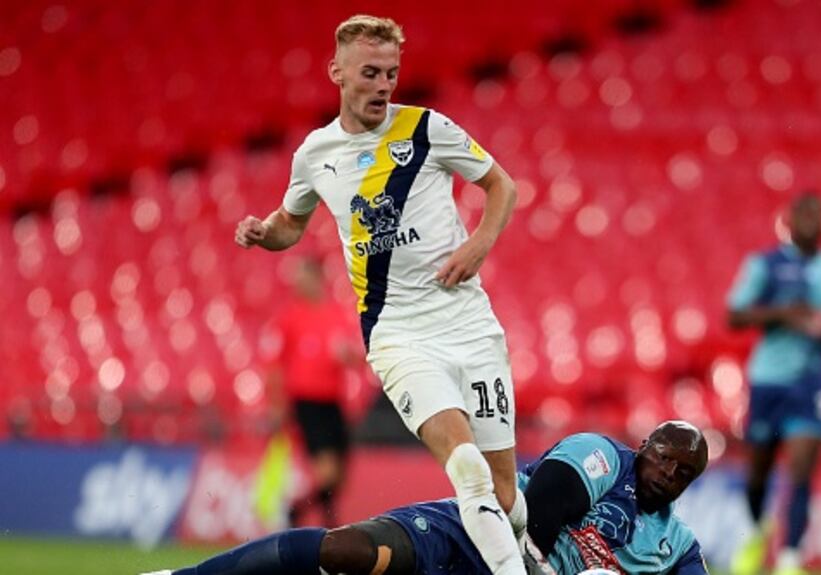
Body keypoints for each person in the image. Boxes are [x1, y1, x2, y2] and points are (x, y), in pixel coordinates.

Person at [234, 14, 524, 574]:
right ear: (338, 73)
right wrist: (263, 232)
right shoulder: (315, 154)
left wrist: (479, 244)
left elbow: (501, 185)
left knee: (506, 495)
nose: (384, 84)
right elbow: (290, 224)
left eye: (391, 73)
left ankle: (526, 550)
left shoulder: (427, 128)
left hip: (468, 324)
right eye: (371, 72)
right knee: (466, 468)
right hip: (398, 333)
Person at [145, 420, 711, 575]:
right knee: (348, 550)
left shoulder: (677, 547)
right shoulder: (603, 456)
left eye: (684, 472)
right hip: (477, 536)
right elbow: (538, 519)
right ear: (644, 446)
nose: (669, 473)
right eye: (664, 456)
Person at [726, 192, 821, 575]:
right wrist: (783, 313)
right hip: (768, 380)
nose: (813, 222)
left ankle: (791, 557)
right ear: (790, 221)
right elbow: (734, 316)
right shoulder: (764, 265)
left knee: (802, 467)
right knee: (759, 470)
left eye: (819, 215)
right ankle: (757, 530)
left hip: (810, 382)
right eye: (805, 214)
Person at [262, 256, 362, 526]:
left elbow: (357, 356)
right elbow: (275, 365)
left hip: (334, 402)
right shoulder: (289, 318)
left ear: (318, 279)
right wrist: (276, 405)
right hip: (307, 403)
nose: (298, 284)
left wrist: (348, 355)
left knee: (340, 477)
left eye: (304, 278)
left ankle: (299, 512)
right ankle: (324, 524)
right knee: (327, 471)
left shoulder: (336, 315)